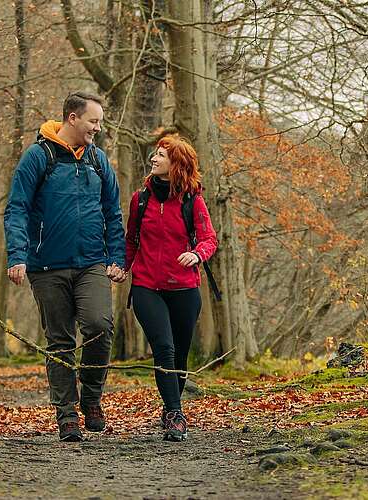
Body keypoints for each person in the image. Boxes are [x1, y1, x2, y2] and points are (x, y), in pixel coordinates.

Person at [3, 91, 126, 442]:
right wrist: (18, 256)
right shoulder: (38, 157)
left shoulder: (99, 162)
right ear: (72, 118)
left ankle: (90, 398)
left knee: (99, 326)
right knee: (59, 341)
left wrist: (116, 259)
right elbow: (17, 209)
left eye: (99, 122)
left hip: (91, 263)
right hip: (46, 266)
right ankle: (67, 414)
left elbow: (112, 214)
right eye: (93, 121)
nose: (97, 129)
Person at [124, 134, 218, 442]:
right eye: (155, 154)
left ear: (176, 164)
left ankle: (170, 408)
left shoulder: (193, 200)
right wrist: (122, 267)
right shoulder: (141, 199)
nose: (154, 158)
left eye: (162, 155)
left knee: (179, 355)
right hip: (147, 285)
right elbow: (131, 240)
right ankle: (176, 414)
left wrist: (196, 254)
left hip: (184, 289)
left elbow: (209, 239)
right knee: (163, 347)